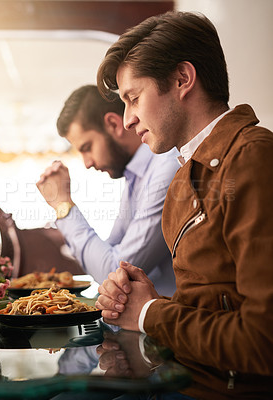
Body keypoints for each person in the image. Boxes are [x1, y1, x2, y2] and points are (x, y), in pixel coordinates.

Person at [95, 9, 273, 389]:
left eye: (133, 98)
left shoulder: (253, 158)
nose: (127, 120)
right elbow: (210, 309)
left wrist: (149, 313)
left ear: (182, 79)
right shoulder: (182, 179)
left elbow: (263, 341)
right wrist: (141, 300)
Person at [37, 85, 180, 295]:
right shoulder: (135, 175)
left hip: (169, 320)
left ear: (113, 124)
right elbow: (111, 250)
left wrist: (62, 206)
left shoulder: (166, 169)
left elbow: (114, 271)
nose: (86, 163)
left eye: (87, 147)